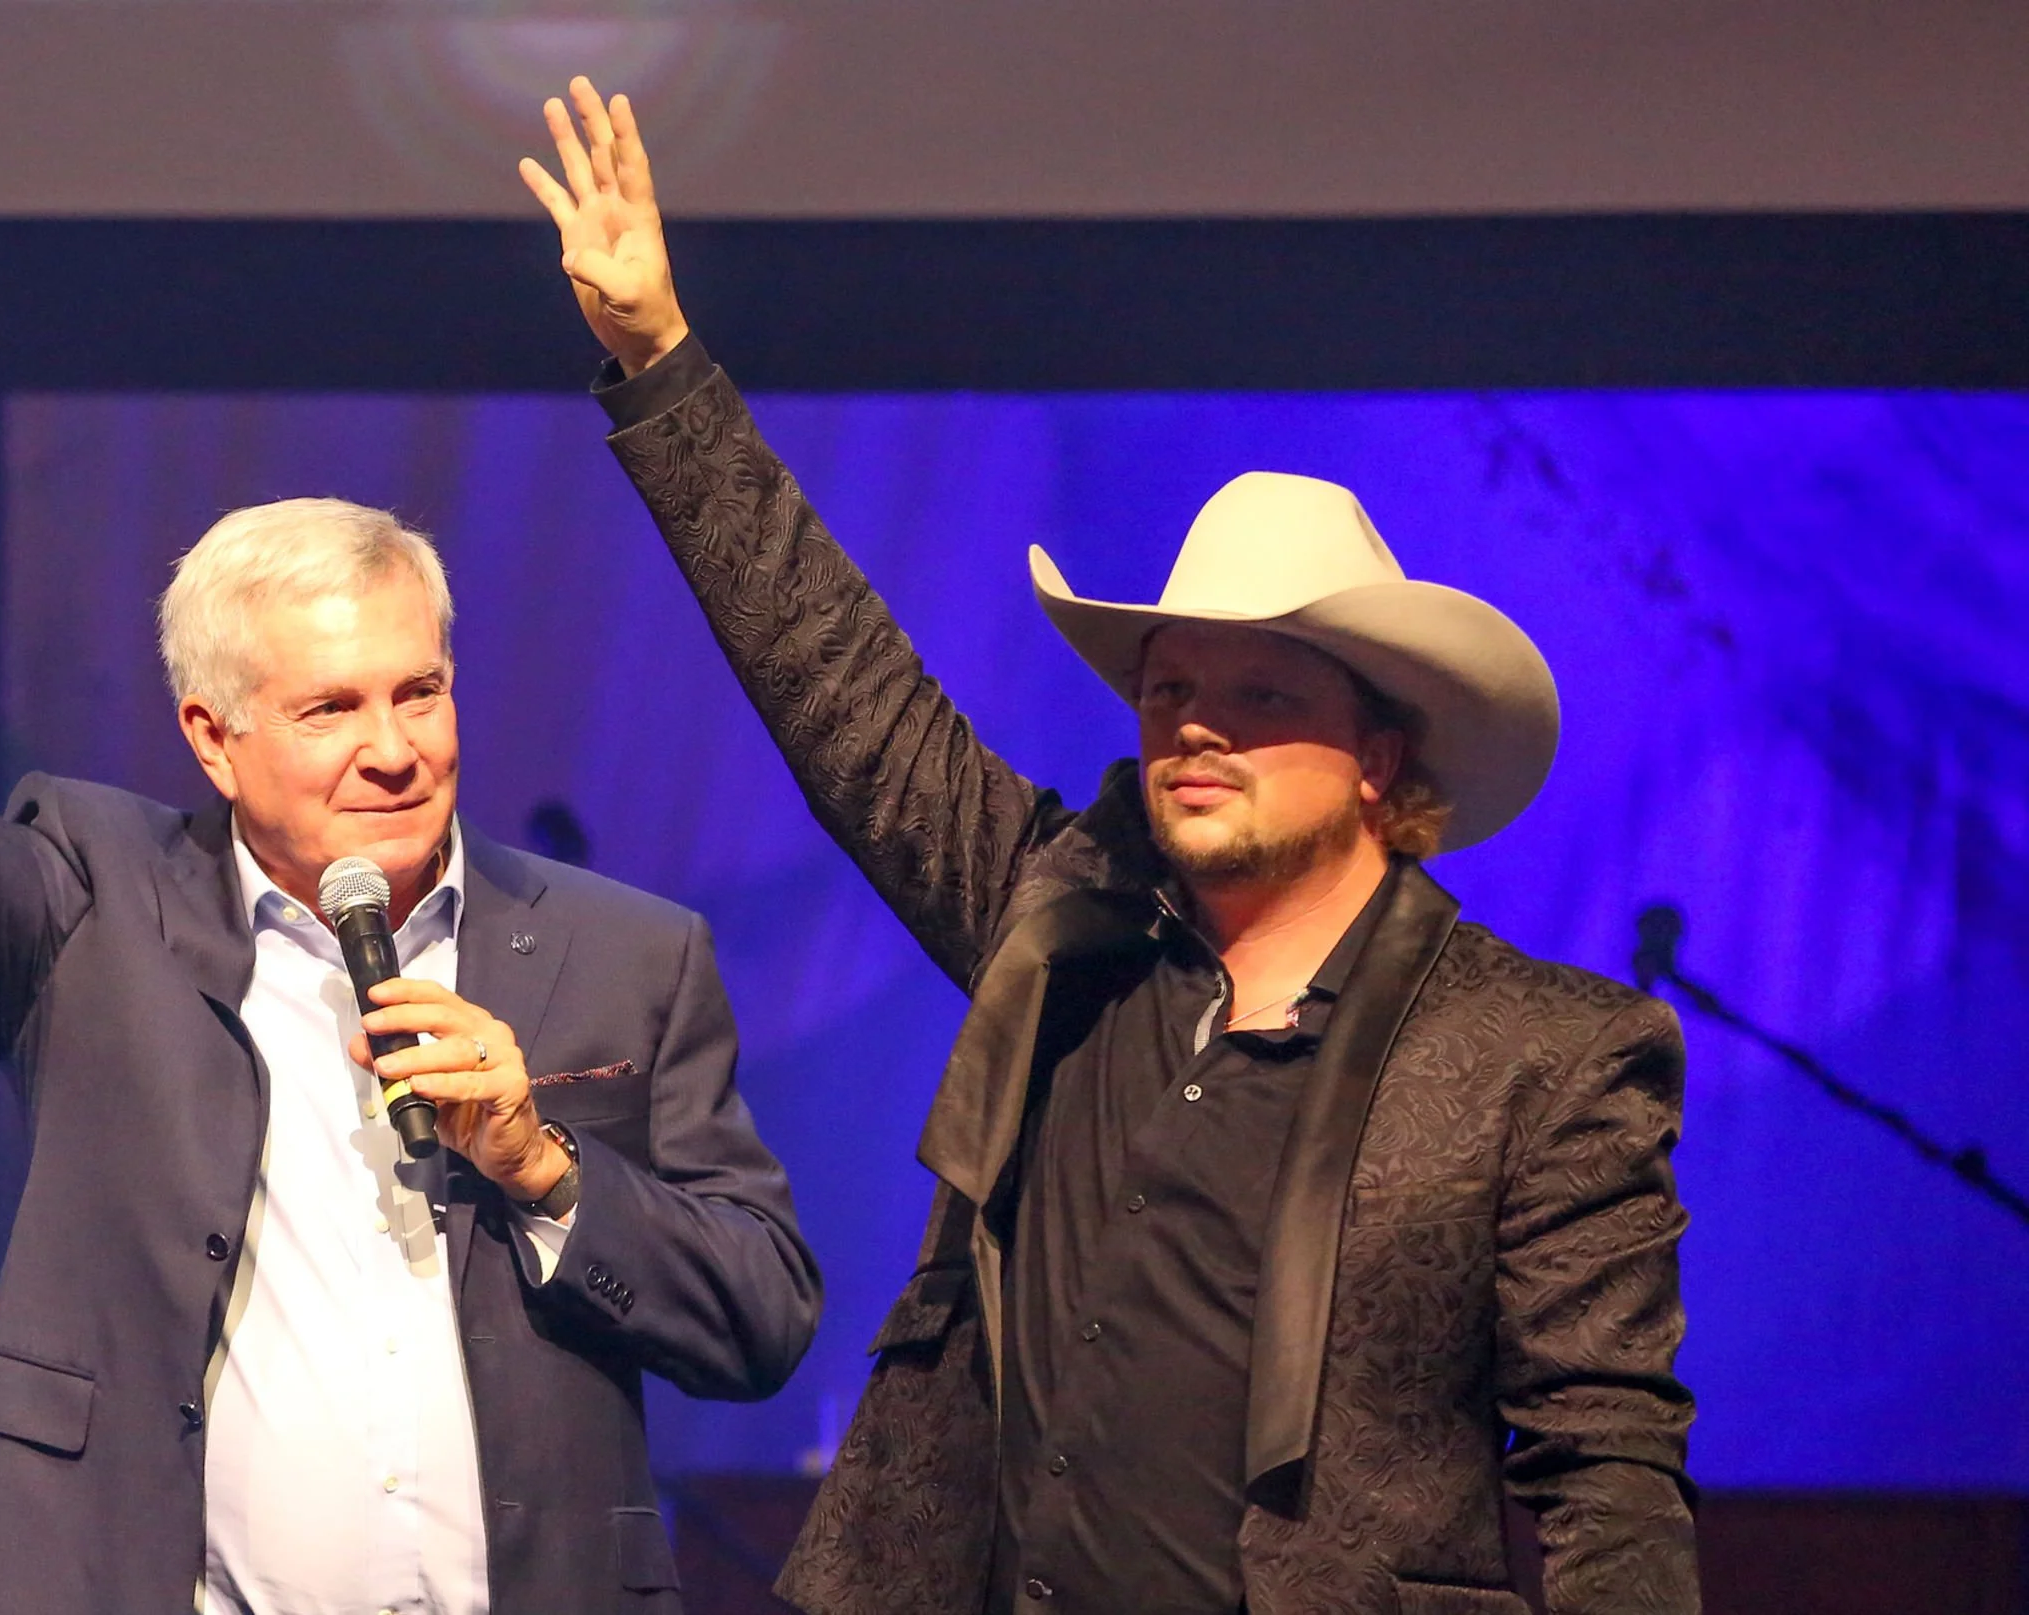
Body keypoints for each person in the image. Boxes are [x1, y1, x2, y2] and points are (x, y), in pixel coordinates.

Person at [520, 80, 1697, 1615]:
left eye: (1260, 695)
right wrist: (660, 366)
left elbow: (1605, 1465)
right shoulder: (1061, 932)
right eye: (1172, 690)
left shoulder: (1538, 1056)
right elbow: (842, 691)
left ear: (1379, 758)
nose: (1194, 727)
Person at [0, 227, 820, 1615]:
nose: (395, 748)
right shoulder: (92, 898)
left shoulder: (625, 952)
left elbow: (762, 1311)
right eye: (331, 708)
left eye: (420, 690)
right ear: (213, 740)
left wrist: (548, 1166)